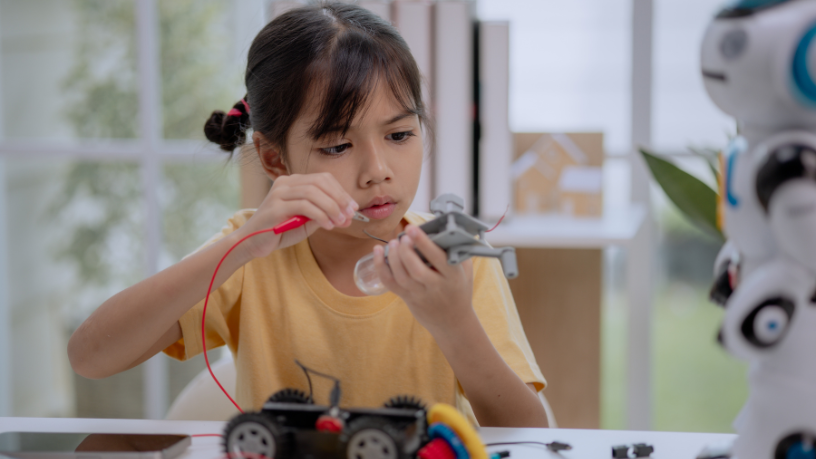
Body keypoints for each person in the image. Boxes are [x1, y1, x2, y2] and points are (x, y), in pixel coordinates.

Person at [67, 2, 547, 427]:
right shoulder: (250, 253)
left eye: (399, 135)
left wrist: (454, 321)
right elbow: (90, 357)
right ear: (276, 160)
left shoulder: (450, 261)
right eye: (338, 145)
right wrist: (241, 246)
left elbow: (530, 433)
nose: (377, 172)